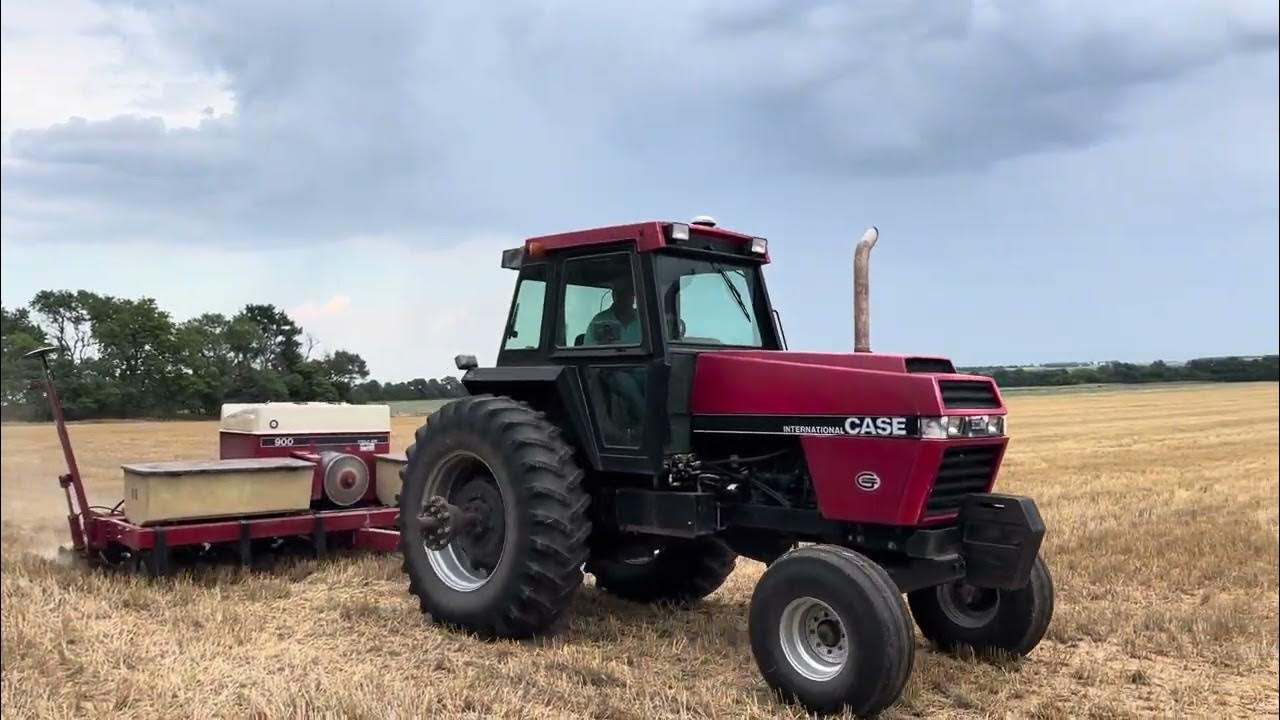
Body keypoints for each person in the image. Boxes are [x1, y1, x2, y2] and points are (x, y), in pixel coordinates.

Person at [586, 279, 641, 345]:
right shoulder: (599, 320)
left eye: (626, 292)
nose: (623, 297)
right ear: (613, 295)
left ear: (633, 296)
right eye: (619, 293)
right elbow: (588, 348)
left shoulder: (644, 319)